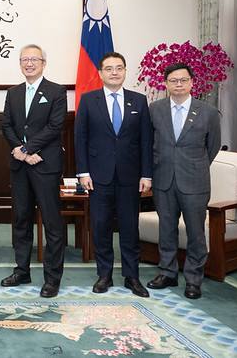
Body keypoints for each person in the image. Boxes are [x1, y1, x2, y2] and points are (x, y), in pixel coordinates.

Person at [74, 52, 151, 297]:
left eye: (119, 68)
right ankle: (104, 275)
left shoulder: (139, 101)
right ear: (100, 73)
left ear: (125, 71)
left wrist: (146, 174)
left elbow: (146, 141)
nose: (114, 72)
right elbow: (81, 139)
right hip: (98, 177)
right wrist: (83, 172)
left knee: (130, 227)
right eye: (109, 68)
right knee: (101, 226)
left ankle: (132, 276)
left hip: (130, 177)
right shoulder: (88, 100)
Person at [146, 62, 220, 300]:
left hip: (194, 182)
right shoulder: (155, 109)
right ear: (166, 84)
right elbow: (149, 143)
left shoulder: (207, 112)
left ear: (191, 82)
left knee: (195, 232)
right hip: (163, 179)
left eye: (183, 80)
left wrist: (194, 166)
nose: (178, 84)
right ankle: (167, 272)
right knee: (166, 229)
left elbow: (213, 146)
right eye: (173, 81)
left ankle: (193, 279)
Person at [1, 44, 67, 298]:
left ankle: (52, 278)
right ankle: (22, 270)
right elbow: (7, 125)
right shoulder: (13, 92)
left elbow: (55, 126)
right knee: (21, 219)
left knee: (52, 223)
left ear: (43, 62)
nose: (29, 63)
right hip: (20, 166)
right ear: (20, 63)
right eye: (24, 59)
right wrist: (20, 151)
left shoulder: (56, 91)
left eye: (34, 59)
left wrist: (27, 149)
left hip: (45, 165)